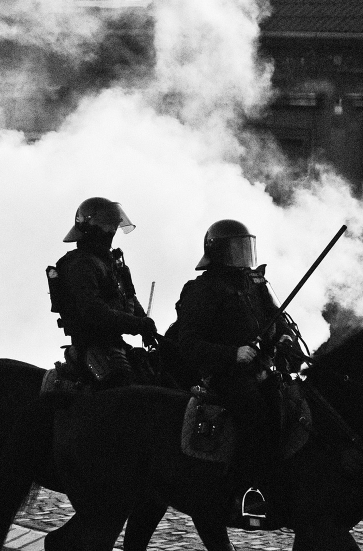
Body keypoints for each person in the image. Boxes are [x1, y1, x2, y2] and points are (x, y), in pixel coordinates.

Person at [172, 219, 301, 487]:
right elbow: (188, 343)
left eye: (246, 248)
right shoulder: (202, 290)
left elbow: (276, 319)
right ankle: (245, 484)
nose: (243, 256)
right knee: (254, 413)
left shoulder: (254, 285)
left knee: (288, 405)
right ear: (218, 252)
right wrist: (233, 354)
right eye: (235, 249)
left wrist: (284, 336)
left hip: (260, 369)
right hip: (224, 373)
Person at [49, 197, 156, 388]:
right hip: (91, 346)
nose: (111, 231)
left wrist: (149, 329)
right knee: (124, 389)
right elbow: (92, 311)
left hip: (115, 343)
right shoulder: (80, 263)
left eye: (113, 226)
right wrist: (137, 324)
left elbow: (129, 298)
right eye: (105, 225)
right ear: (89, 226)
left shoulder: (112, 263)